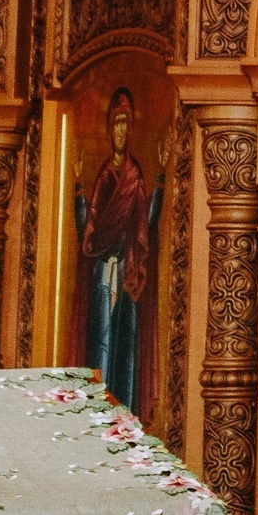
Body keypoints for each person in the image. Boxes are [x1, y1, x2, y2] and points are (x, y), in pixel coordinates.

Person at [77, 89, 161, 416]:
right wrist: (76, 197)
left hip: (127, 271)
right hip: (103, 270)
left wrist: (163, 184)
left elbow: (145, 224)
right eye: (117, 124)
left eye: (126, 125)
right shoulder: (104, 176)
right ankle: (96, 410)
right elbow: (93, 221)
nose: (121, 132)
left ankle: (123, 411)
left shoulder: (135, 176)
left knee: (124, 341)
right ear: (110, 129)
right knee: (101, 337)